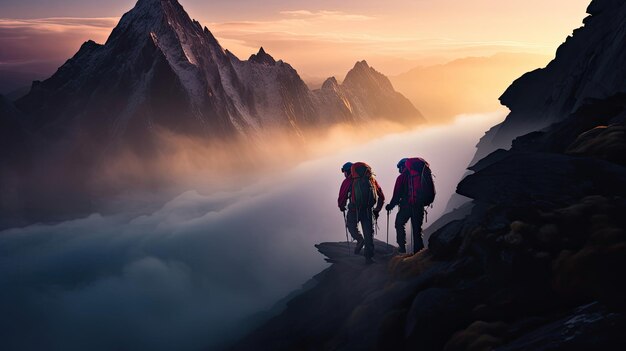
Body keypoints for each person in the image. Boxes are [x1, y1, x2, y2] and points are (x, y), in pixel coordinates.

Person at [338, 162, 385, 264]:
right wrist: (377, 210)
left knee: (351, 226)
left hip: (354, 211)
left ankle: (359, 239)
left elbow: (342, 197)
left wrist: (342, 207)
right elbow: (381, 196)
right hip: (368, 211)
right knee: (369, 234)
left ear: (348, 171)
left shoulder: (348, 181)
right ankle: (368, 258)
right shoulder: (371, 179)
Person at [385, 158, 424, 254]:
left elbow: (396, 195)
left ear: (403, 166)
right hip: (418, 205)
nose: (399, 170)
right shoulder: (419, 175)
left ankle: (402, 248)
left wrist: (390, 206)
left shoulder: (401, 178)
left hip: (406, 207)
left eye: (399, 167)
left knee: (399, 224)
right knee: (417, 230)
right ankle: (419, 252)